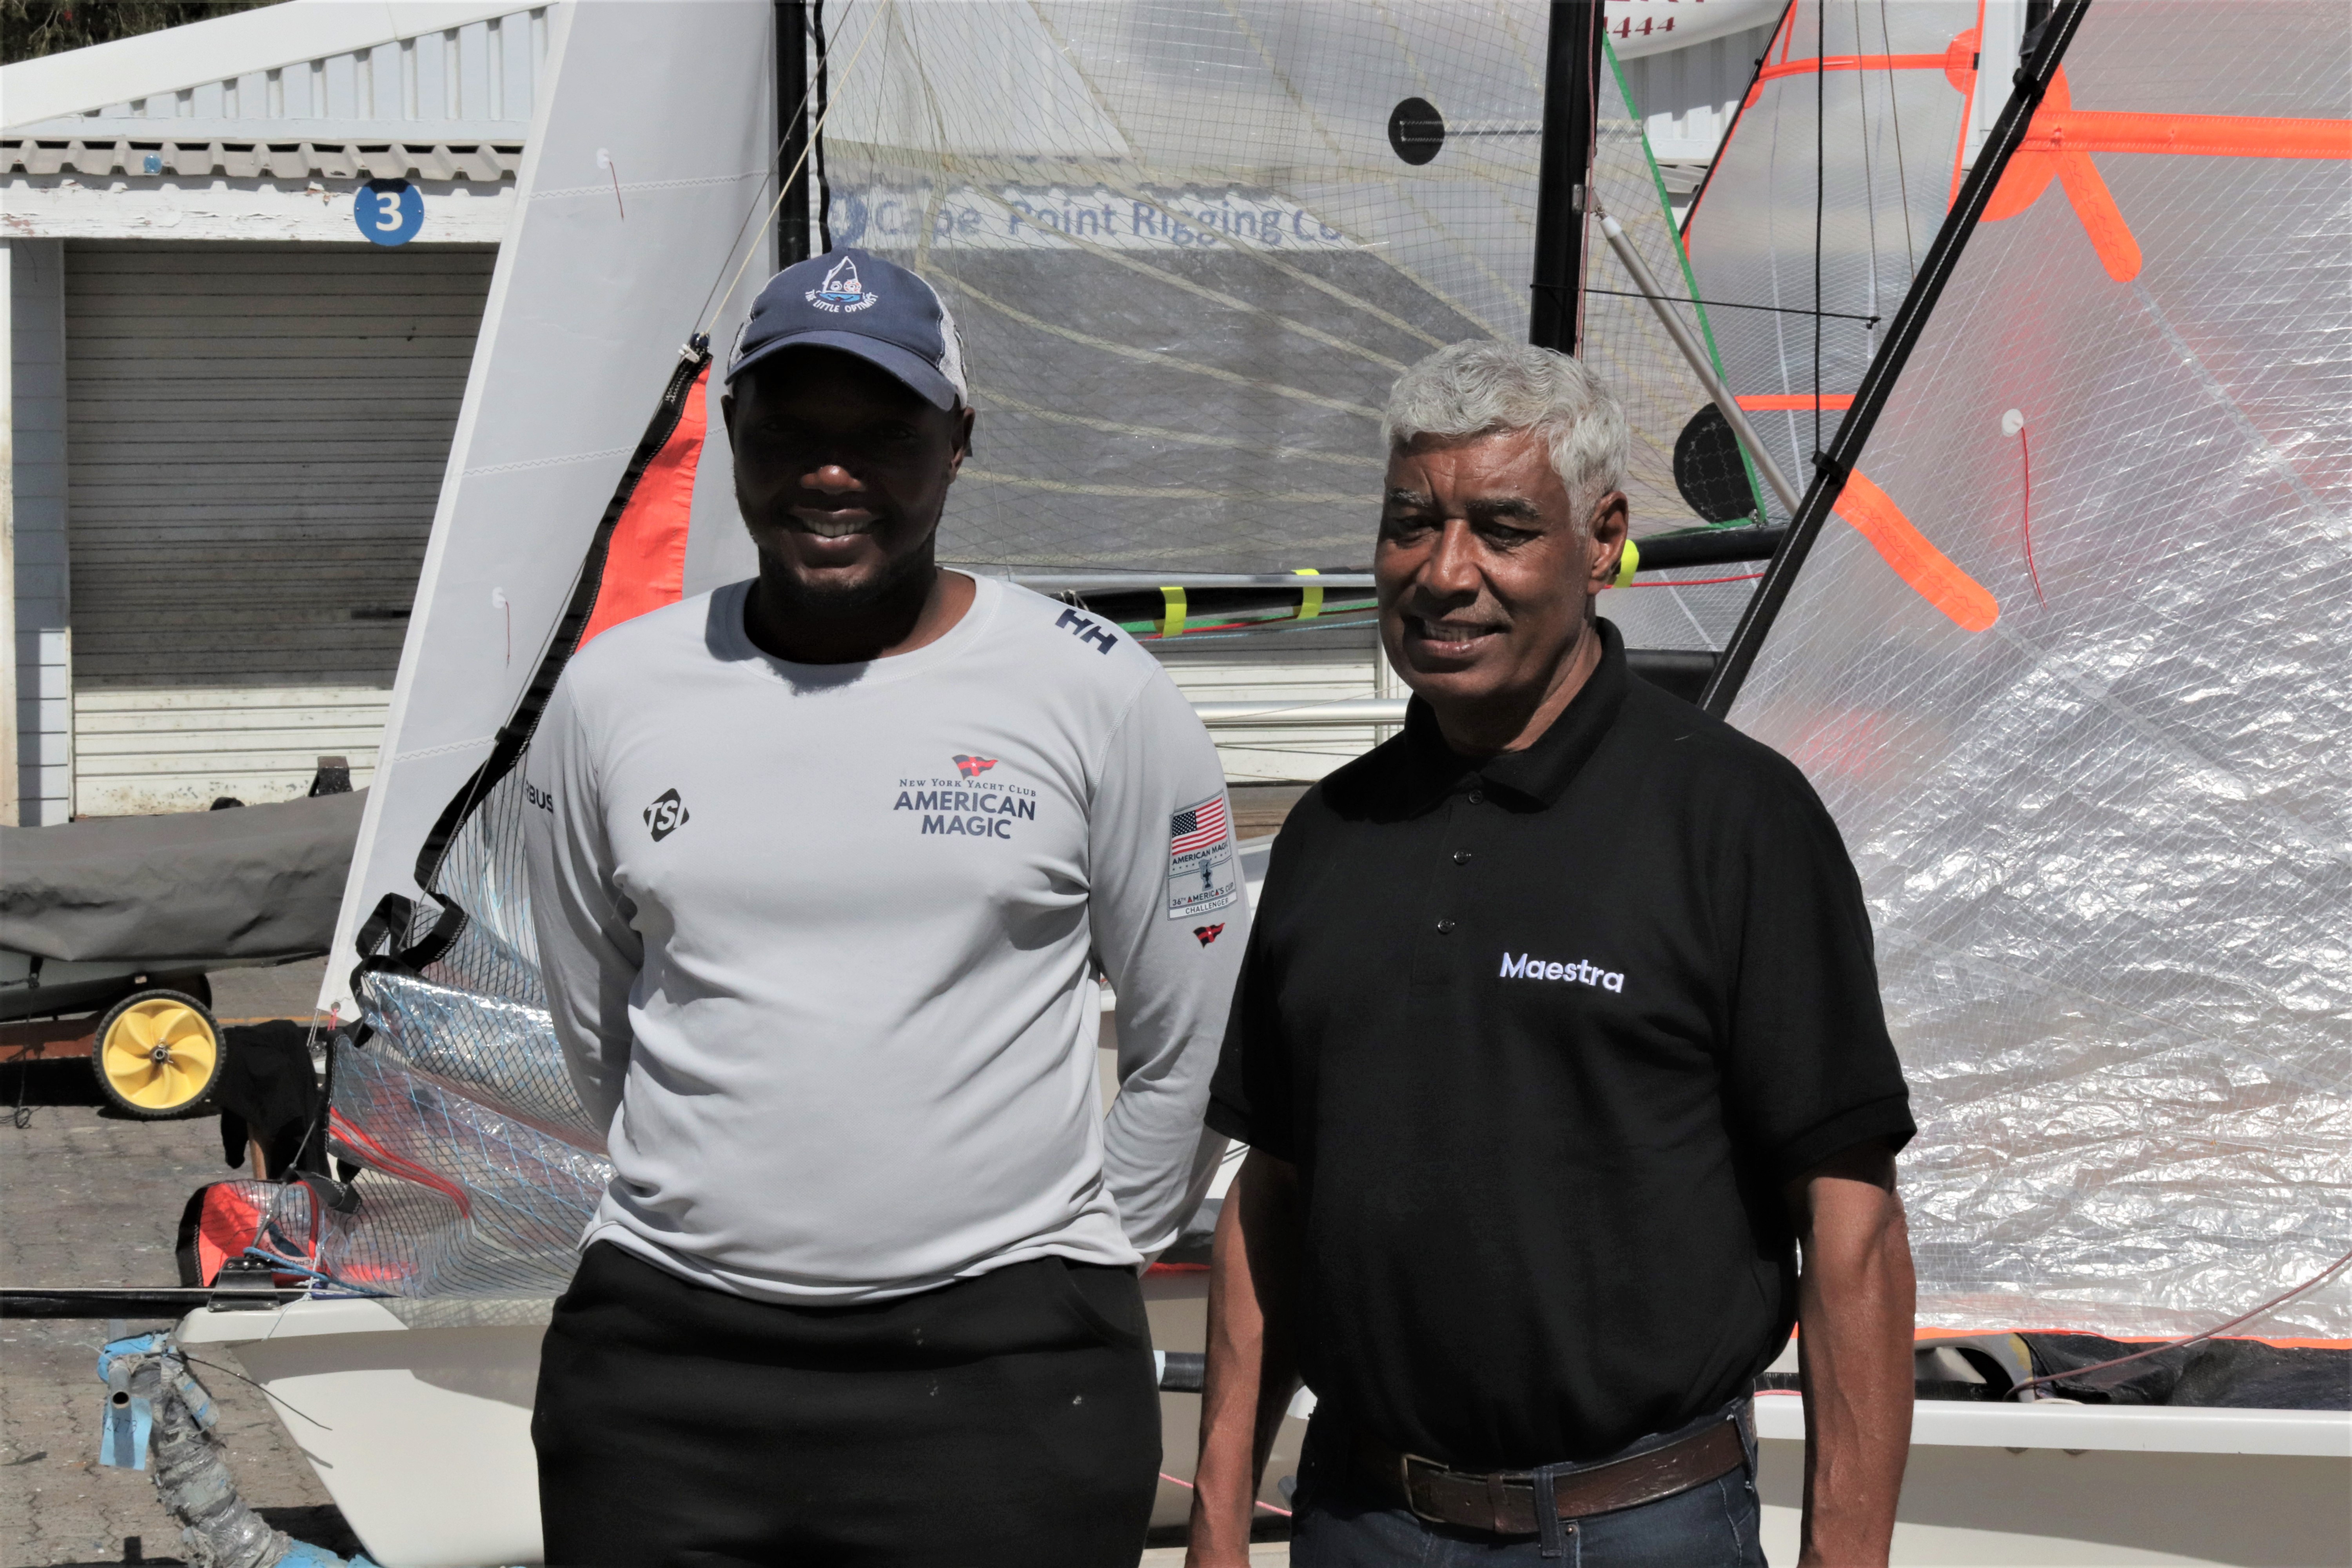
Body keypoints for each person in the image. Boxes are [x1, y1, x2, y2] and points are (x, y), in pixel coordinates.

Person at [523, 247, 1246, 1566]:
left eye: (884, 434)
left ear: (958, 444)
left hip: (1003, 1374)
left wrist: (1092, 1251)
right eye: (791, 428)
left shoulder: (1100, 693)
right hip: (668, 1373)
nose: (831, 471)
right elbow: (594, 1020)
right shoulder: (613, 695)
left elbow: (1193, 1031)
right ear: (733, 432)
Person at [1186, 342, 1916, 1568]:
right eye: (1410, 524)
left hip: (1637, 1528)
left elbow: (1852, 1226)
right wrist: (1217, 1523)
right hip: (1359, 1522)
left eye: (1502, 529)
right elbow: (1277, 1193)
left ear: (1602, 540)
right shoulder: (1330, 834)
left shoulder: (1735, 820)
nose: (1444, 573)